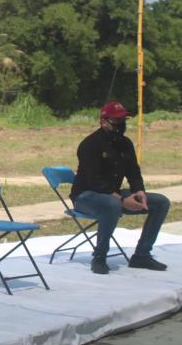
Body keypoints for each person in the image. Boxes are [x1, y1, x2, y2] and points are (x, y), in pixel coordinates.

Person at [70, 101, 170, 275]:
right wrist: (123, 200)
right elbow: (94, 181)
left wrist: (139, 191)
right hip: (86, 196)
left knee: (161, 202)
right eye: (116, 120)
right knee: (112, 205)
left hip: (113, 194)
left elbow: (134, 172)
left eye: (123, 120)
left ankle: (141, 255)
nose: (120, 124)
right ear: (103, 121)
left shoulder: (125, 144)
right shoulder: (90, 144)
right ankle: (99, 258)